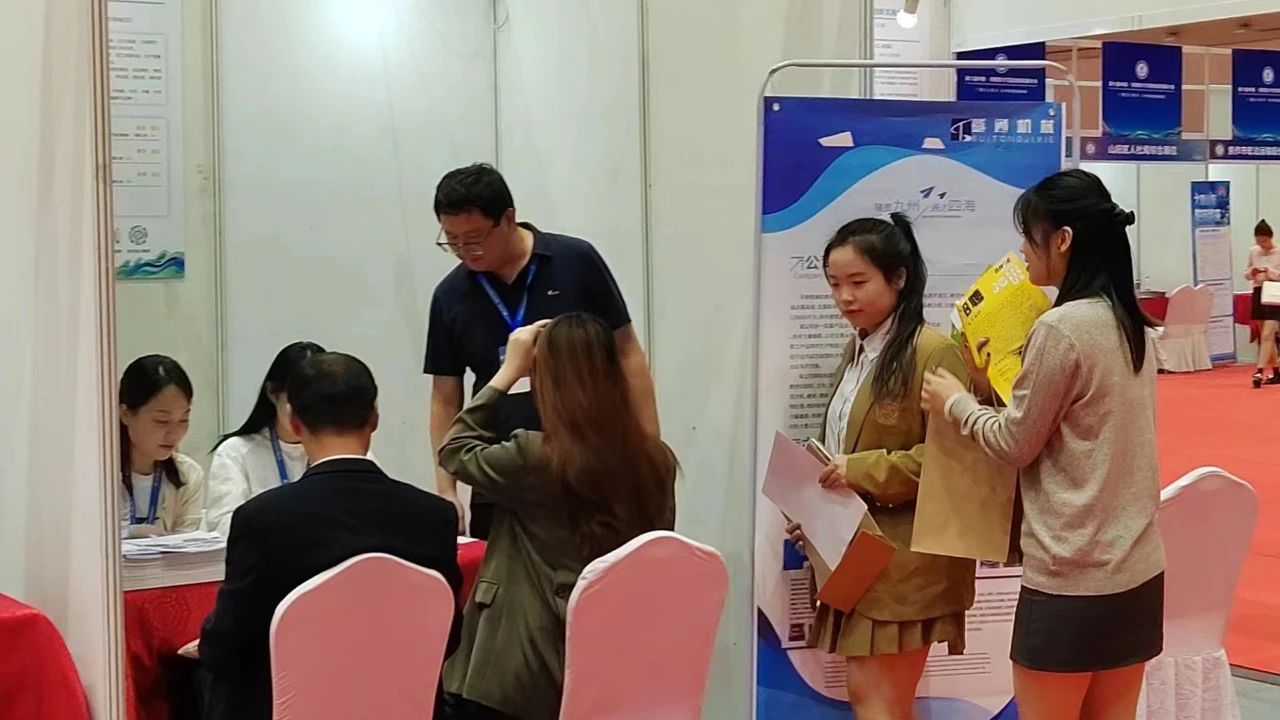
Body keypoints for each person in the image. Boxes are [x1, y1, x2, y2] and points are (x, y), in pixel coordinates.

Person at [921, 169, 1165, 720]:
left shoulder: (1061, 327)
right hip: (1137, 570)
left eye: (1028, 236)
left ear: (1062, 239)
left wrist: (956, 402)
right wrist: (989, 387)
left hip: (1069, 576)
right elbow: (1072, 427)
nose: (1022, 252)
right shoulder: (1129, 321)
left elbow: (1016, 443)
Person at [438, 313, 677, 720]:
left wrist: (505, 374)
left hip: (517, 673)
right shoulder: (656, 460)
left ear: (547, 381)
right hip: (608, 662)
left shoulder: (534, 457)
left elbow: (454, 449)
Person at [199, 352, 463, 720]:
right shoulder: (434, 517)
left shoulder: (263, 520)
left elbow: (227, 645)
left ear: (295, 422)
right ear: (375, 418)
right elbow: (448, 635)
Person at [786, 214, 975, 720]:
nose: (845, 297)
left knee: (879, 700)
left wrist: (860, 470)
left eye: (858, 281)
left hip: (906, 562)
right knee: (874, 699)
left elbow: (954, 462)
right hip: (859, 551)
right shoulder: (859, 348)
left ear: (898, 278)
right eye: (834, 284)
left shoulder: (932, 351)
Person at [424, 163, 659, 539]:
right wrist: (446, 488)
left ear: (508, 218)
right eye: (452, 241)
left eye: (475, 238)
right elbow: (444, 397)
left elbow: (627, 352)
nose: (465, 251)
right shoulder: (450, 295)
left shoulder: (575, 260)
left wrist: (649, 446)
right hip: (501, 474)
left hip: (588, 461)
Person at [205, 341, 325, 536]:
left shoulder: (346, 450)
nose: (307, 414)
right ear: (272, 393)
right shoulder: (236, 453)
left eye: (318, 402)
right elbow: (224, 529)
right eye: (298, 402)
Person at [118, 355, 205, 538]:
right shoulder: (95, 477)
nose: (175, 434)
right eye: (162, 420)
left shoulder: (188, 476)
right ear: (125, 413)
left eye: (184, 420)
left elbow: (188, 548)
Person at [1245, 219, 1280, 388]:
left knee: (1268, 334)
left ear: (1270, 238)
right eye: (1258, 241)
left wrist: (1268, 271)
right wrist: (1251, 273)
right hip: (1258, 291)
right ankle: (1276, 370)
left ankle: (1259, 370)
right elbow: (1246, 273)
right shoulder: (1253, 251)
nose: (1261, 245)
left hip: (1274, 292)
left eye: (1264, 241)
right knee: (1265, 335)